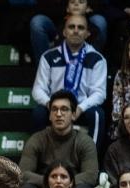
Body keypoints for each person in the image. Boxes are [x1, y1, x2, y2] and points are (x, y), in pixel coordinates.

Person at [31, 13, 107, 145]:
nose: (76, 30)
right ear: (64, 32)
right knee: (38, 113)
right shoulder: (49, 56)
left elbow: (99, 93)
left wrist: (81, 108)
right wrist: (51, 105)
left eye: (81, 27)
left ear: (87, 33)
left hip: (82, 108)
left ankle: (93, 160)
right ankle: (40, 158)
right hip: (55, 107)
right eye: (71, 27)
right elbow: (38, 89)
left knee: (97, 114)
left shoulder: (96, 58)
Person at [19, 90, 99, 188]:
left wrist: (64, 183)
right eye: (54, 109)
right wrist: (51, 182)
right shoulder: (37, 139)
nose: (59, 114)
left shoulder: (85, 141)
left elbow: (91, 175)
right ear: (50, 115)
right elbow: (23, 173)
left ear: (74, 114)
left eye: (64, 109)